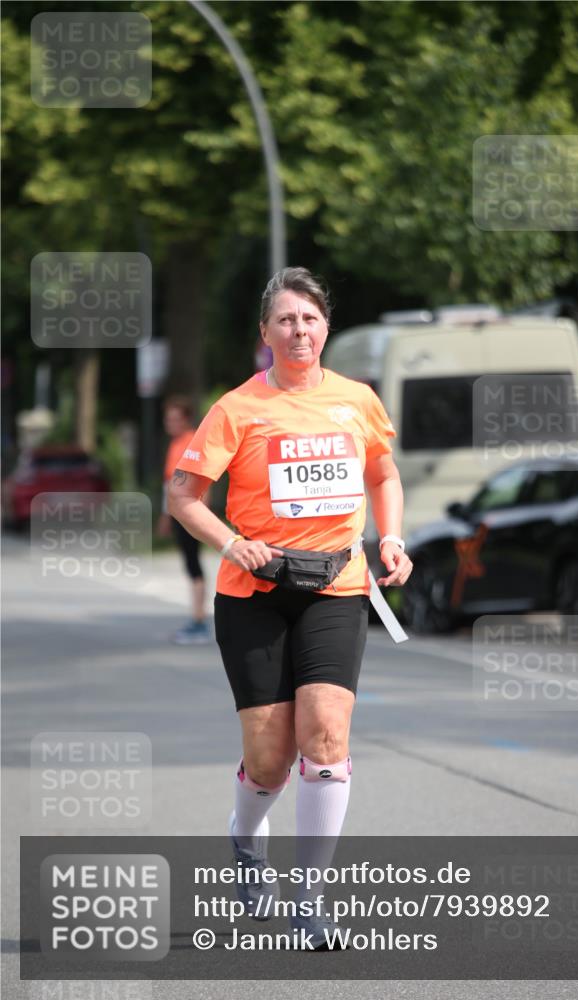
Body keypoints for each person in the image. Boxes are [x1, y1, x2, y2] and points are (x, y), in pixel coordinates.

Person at [168, 267, 412, 947]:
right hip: (254, 594)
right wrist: (231, 542)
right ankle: (245, 838)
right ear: (265, 333)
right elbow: (183, 497)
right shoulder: (236, 408)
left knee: (326, 737)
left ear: (324, 326)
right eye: (284, 319)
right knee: (269, 758)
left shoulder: (356, 399)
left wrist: (390, 538)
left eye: (308, 318)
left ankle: (310, 897)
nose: (297, 330)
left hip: (335, 587)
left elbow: (382, 473)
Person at [157, 396, 209, 644]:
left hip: (189, 511)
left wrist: (201, 513)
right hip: (178, 511)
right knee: (190, 564)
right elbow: (170, 483)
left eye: (175, 419)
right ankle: (196, 618)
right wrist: (166, 515)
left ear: (186, 420)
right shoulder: (175, 443)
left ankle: (199, 621)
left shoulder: (191, 442)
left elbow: (201, 477)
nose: (170, 423)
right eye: (168, 419)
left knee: (193, 563)